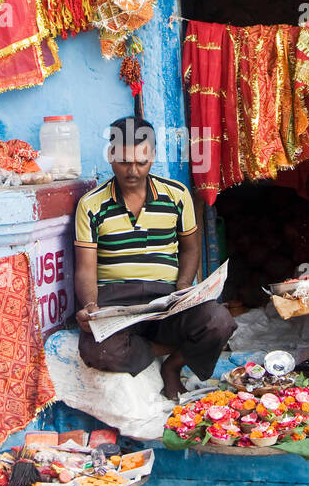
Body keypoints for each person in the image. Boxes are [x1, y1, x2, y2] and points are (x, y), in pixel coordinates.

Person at [74, 115, 236, 399]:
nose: (133, 171)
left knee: (218, 321)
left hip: (167, 298)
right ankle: (163, 348)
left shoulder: (177, 196)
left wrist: (184, 285)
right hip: (117, 302)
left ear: (153, 156)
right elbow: (86, 268)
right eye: (124, 161)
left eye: (142, 161)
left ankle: (172, 365)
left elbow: (190, 248)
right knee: (97, 350)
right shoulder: (91, 205)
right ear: (111, 155)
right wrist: (89, 305)